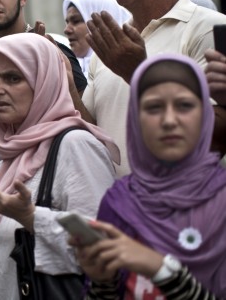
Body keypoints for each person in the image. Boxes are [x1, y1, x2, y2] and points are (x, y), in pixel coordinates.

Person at [0, 34, 119, 299]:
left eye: (13, 78)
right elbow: (4, 239)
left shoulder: (76, 146)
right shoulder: (16, 150)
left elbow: (104, 246)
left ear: (44, 83)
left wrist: (31, 217)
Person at [78, 0, 226, 175]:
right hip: (111, 208)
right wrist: (61, 77)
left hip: (177, 209)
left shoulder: (205, 28)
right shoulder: (114, 44)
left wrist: (139, 74)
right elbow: (90, 130)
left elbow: (217, 138)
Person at [75, 54, 226, 298]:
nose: (168, 121)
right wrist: (103, 282)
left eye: (184, 105)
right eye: (154, 107)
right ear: (135, 119)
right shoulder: (119, 201)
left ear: (205, 116)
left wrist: (161, 270)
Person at [62, 0, 130, 77]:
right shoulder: (70, 71)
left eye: (76, 21)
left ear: (100, 23)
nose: (66, 30)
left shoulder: (124, 69)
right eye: (67, 22)